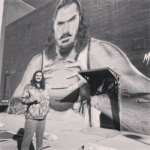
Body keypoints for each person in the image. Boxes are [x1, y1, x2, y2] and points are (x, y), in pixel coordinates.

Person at [8, 0, 150, 127]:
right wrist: (36, 95)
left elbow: (145, 110)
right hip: (46, 134)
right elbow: (13, 106)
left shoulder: (99, 54)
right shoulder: (38, 63)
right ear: (53, 27)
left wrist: (93, 95)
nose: (66, 30)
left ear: (80, 21)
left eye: (72, 20)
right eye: (60, 24)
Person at [21, 70, 50, 150]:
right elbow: (23, 100)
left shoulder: (45, 87)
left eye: (40, 76)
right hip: (31, 117)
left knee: (40, 139)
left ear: (42, 77)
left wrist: (47, 110)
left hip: (42, 117)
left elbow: (47, 100)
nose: (38, 77)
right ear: (34, 76)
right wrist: (32, 100)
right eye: (37, 75)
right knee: (27, 138)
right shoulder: (28, 86)